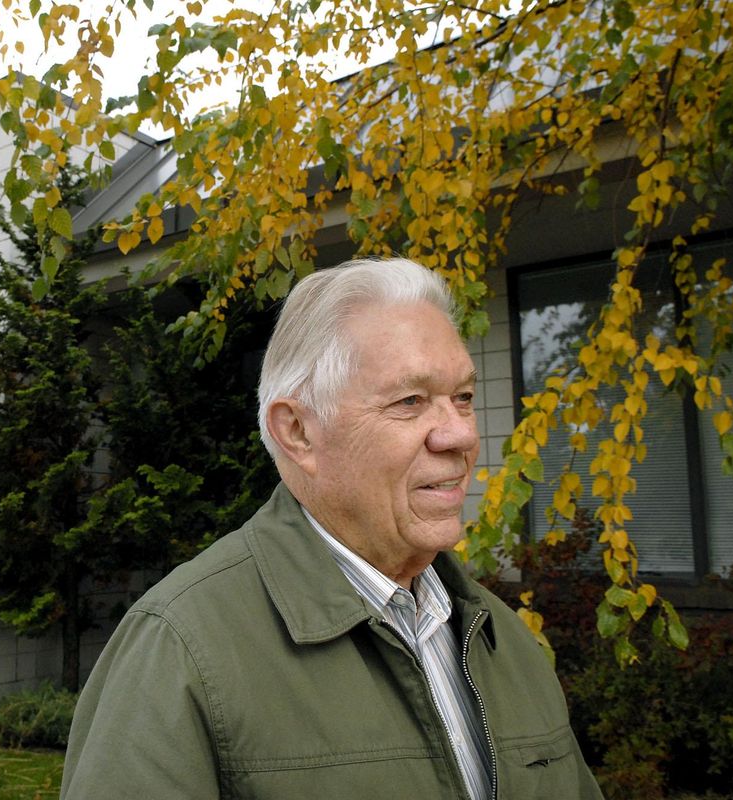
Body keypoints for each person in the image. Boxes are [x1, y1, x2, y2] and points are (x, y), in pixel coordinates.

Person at [62, 258, 603, 799]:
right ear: (297, 432)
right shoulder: (180, 649)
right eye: (409, 401)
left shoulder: (505, 641)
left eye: (462, 397)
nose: (459, 434)